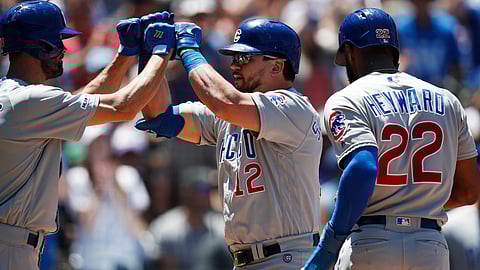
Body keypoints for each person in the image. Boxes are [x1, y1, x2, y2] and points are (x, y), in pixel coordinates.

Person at [0, 1, 177, 269]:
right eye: (58, 41)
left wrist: (125, 54)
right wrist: (160, 51)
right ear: (42, 46)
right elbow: (123, 106)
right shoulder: (30, 100)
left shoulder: (18, 98)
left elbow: (86, 99)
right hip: (10, 247)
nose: (63, 51)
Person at [135, 17, 324, 269]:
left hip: (288, 257)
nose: (234, 64)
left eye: (244, 58)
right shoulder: (229, 114)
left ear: (277, 67)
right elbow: (159, 115)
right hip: (244, 260)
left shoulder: (294, 108)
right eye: (234, 57)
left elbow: (225, 101)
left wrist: (189, 51)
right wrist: (152, 55)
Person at [303, 7, 480, 270]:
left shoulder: (347, 98)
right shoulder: (447, 100)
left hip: (372, 242)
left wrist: (331, 240)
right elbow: (469, 191)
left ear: (350, 52)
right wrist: (419, 203)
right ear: (394, 51)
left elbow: (363, 167)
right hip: (429, 245)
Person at [148, 165, 230, 269]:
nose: (207, 194)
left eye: (209, 189)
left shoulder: (219, 226)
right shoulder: (165, 228)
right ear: (187, 192)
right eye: (202, 189)